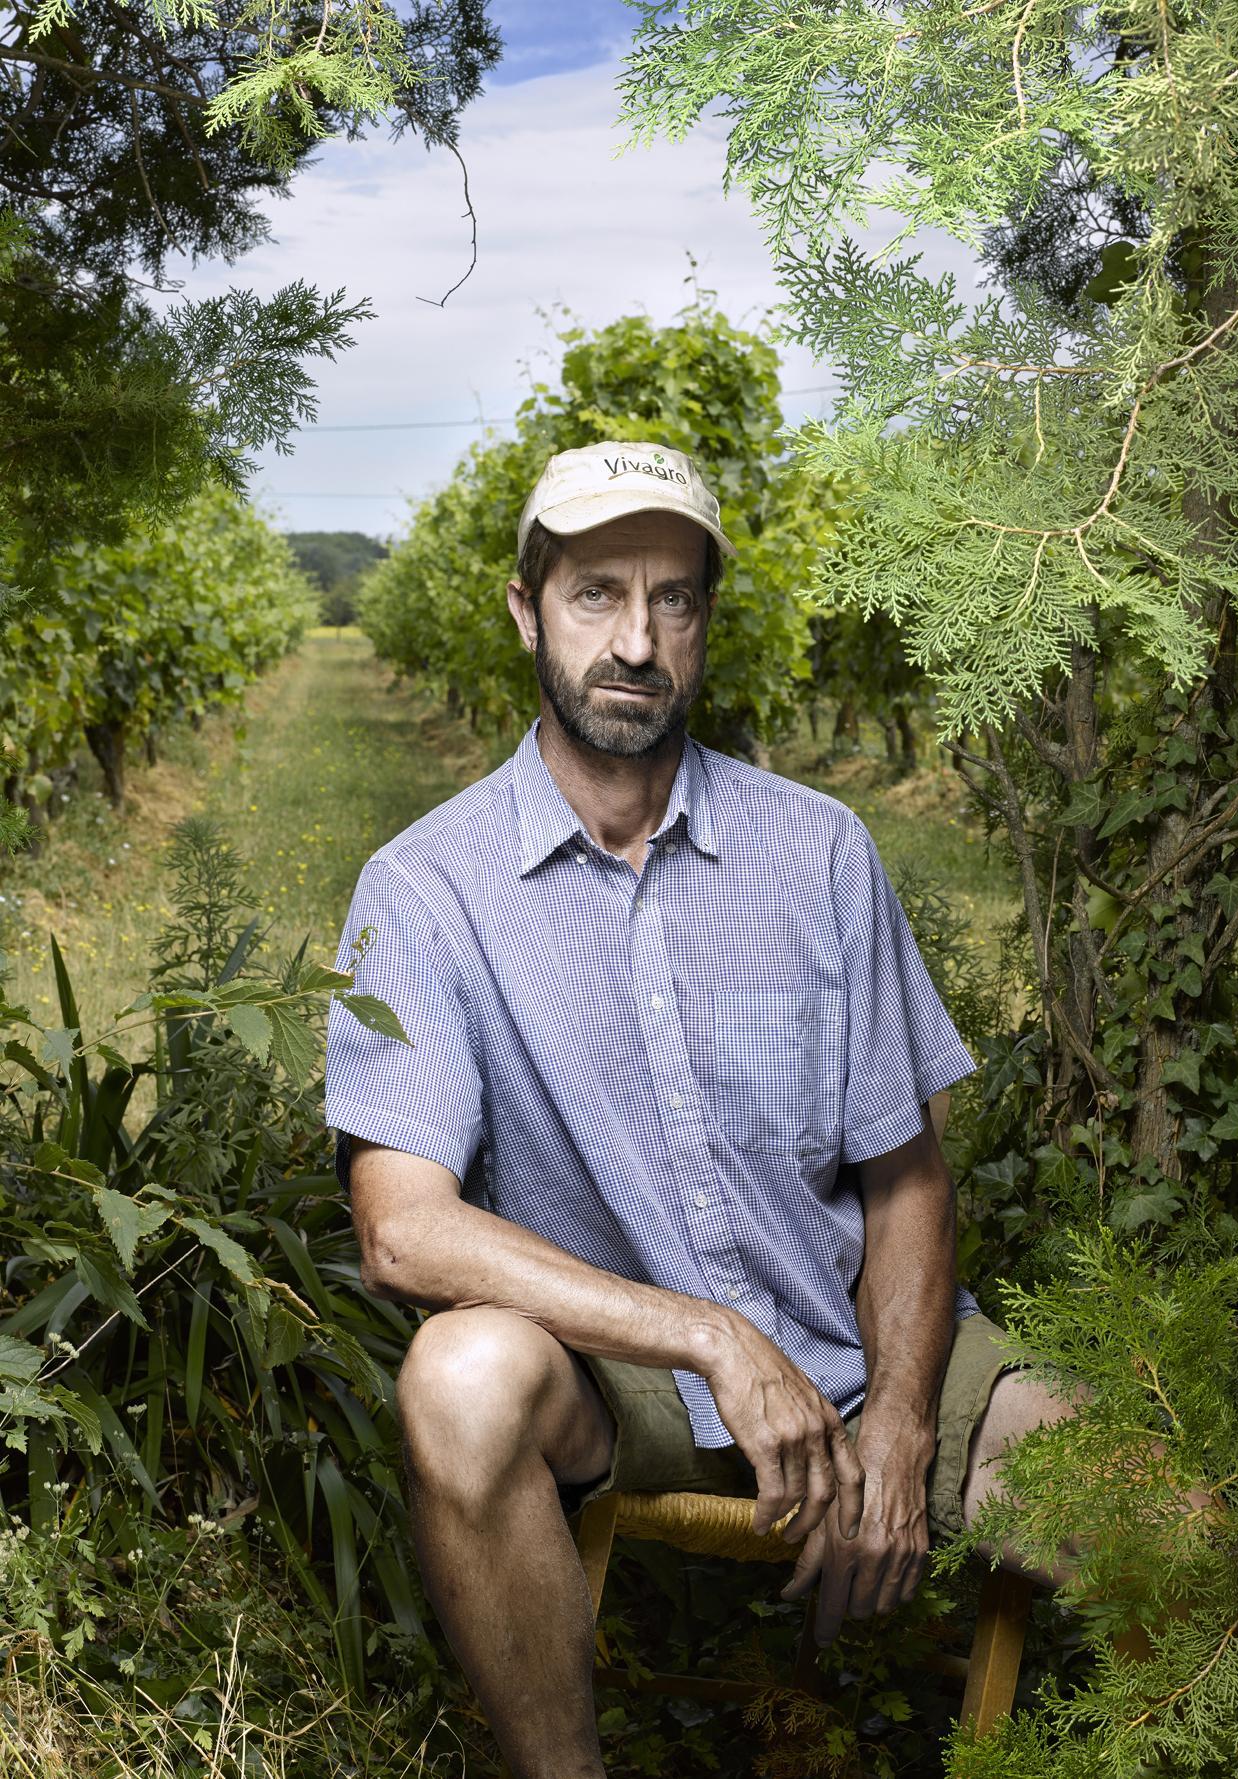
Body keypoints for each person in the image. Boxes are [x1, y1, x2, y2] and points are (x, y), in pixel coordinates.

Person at [323, 441, 1075, 1779]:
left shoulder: (820, 851)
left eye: (673, 600)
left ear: (707, 621)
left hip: (858, 1351)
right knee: (459, 1375)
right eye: (596, 593)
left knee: (1161, 1509)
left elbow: (903, 1179)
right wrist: (712, 1340)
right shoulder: (425, 886)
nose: (635, 640)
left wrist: (898, 1419)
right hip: (630, 1384)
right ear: (522, 610)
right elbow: (405, 1236)